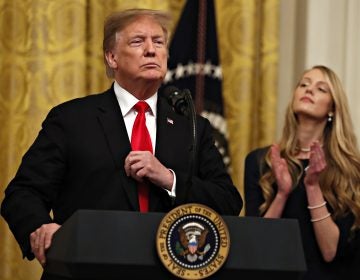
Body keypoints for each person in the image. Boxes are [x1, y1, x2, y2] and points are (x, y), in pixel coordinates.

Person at [0, 8, 243, 279]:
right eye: (138, 42)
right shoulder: (71, 119)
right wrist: (41, 227)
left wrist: (168, 178)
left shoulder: (193, 126)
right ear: (112, 57)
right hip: (86, 270)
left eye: (159, 42)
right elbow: (22, 194)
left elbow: (228, 202)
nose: (151, 50)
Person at [244, 65, 360, 279]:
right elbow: (259, 247)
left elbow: (330, 252)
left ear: (333, 108)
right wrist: (282, 194)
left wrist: (312, 186)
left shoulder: (351, 168)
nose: (309, 90)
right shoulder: (262, 161)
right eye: (303, 85)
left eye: (321, 89)